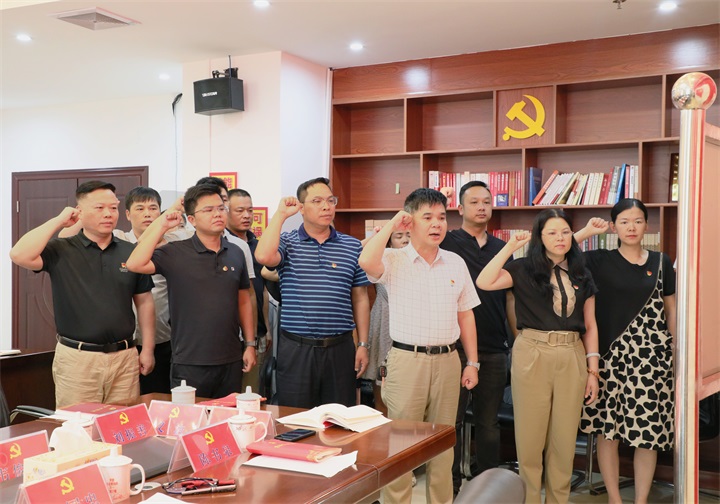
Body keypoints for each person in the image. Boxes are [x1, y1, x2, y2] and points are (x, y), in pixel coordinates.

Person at [359, 188, 480, 504]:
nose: (437, 224)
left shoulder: (455, 262)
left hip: (448, 360)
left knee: (443, 443)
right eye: (427, 217)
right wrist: (391, 225)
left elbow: (466, 314)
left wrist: (473, 362)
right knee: (401, 444)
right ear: (409, 222)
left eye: (441, 217)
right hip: (407, 360)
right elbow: (365, 260)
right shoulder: (393, 259)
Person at [476, 208, 600, 504]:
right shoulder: (523, 269)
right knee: (530, 441)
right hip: (532, 352)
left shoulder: (582, 272)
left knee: (564, 441)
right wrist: (509, 246)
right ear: (539, 237)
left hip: (571, 353)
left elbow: (591, 325)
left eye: (565, 232)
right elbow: (484, 281)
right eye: (552, 233)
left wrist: (593, 371)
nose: (560, 238)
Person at [9, 181, 156, 408]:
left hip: (125, 358)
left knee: (122, 423)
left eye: (113, 208)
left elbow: (145, 302)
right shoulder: (62, 249)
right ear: (79, 211)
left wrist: (147, 349)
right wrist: (59, 221)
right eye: (99, 208)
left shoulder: (131, 251)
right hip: (77, 359)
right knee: (78, 424)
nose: (108, 214)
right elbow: (19, 254)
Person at [576, 199, 676, 504]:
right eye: (624, 221)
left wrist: (675, 349)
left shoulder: (661, 261)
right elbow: (556, 252)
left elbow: (671, 309)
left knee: (648, 434)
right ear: (613, 226)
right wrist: (585, 232)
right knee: (608, 432)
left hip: (652, 359)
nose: (631, 227)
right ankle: (615, 499)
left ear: (647, 225)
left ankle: (641, 499)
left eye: (637, 221)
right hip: (608, 359)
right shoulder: (598, 260)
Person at [126, 183, 256, 398]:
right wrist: (162, 225)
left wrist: (250, 344)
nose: (217, 214)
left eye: (221, 208)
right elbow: (134, 264)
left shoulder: (236, 252)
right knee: (189, 416)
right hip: (189, 360)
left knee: (228, 415)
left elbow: (243, 300)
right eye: (208, 210)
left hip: (231, 357)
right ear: (192, 220)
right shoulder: (175, 252)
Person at [254, 177, 370, 408]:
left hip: (340, 348)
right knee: (294, 416)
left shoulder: (352, 246)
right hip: (296, 349)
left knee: (339, 416)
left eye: (330, 200)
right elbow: (263, 256)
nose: (326, 206)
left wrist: (363, 345)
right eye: (317, 201)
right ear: (301, 208)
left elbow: (360, 298)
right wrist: (280, 215)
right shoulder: (287, 242)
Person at [440, 181, 514, 495]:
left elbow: (510, 297)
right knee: (451, 423)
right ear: (459, 208)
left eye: (486, 201)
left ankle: (487, 489)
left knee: (489, 423)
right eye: (474, 202)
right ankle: (451, 486)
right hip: (454, 347)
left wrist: (515, 338)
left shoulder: (502, 247)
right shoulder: (446, 241)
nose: (482, 207)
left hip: (495, 347)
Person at [226, 188, 271, 395]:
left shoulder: (257, 246)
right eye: (240, 210)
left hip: (256, 333)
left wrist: (267, 328)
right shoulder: (223, 245)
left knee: (251, 393)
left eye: (250, 210)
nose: (247, 215)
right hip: (230, 334)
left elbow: (261, 291)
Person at [364, 227, 410, 414]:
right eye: (399, 236)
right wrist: (377, 236)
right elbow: (359, 254)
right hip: (384, 324)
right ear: (390, 241)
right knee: (381, 384)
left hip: (410, 329)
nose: (405, 240)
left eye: (409, 236)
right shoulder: (382, 260)